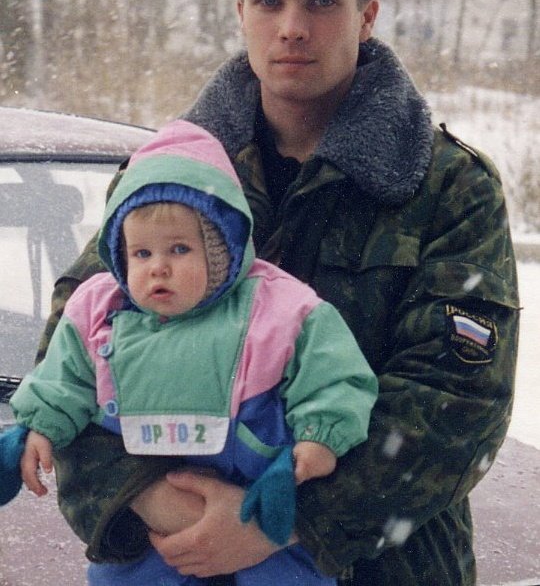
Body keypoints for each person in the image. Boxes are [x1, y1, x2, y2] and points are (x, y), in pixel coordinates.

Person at [29, 0, 519, 586]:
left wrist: (283, 523)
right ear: (240, 12)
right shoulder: (168, 176)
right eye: (268, 0)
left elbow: (457, 406)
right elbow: (76, 349)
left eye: (322, 0)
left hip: (385, 569)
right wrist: (148, 496)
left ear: (367, 15)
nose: (292, 27)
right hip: (171, 559)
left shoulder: (445, 186)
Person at [5, 119, 377, 585]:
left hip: (256, 489)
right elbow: (64, 375)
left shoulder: (278, 306)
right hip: (152, 500)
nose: (158, 268)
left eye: (179, 249)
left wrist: (321, 434)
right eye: (141, 254)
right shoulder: (99, 309)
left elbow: (333, 372)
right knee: (128, 576)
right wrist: (41, 425)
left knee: (289, 576)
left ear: (221, 252)